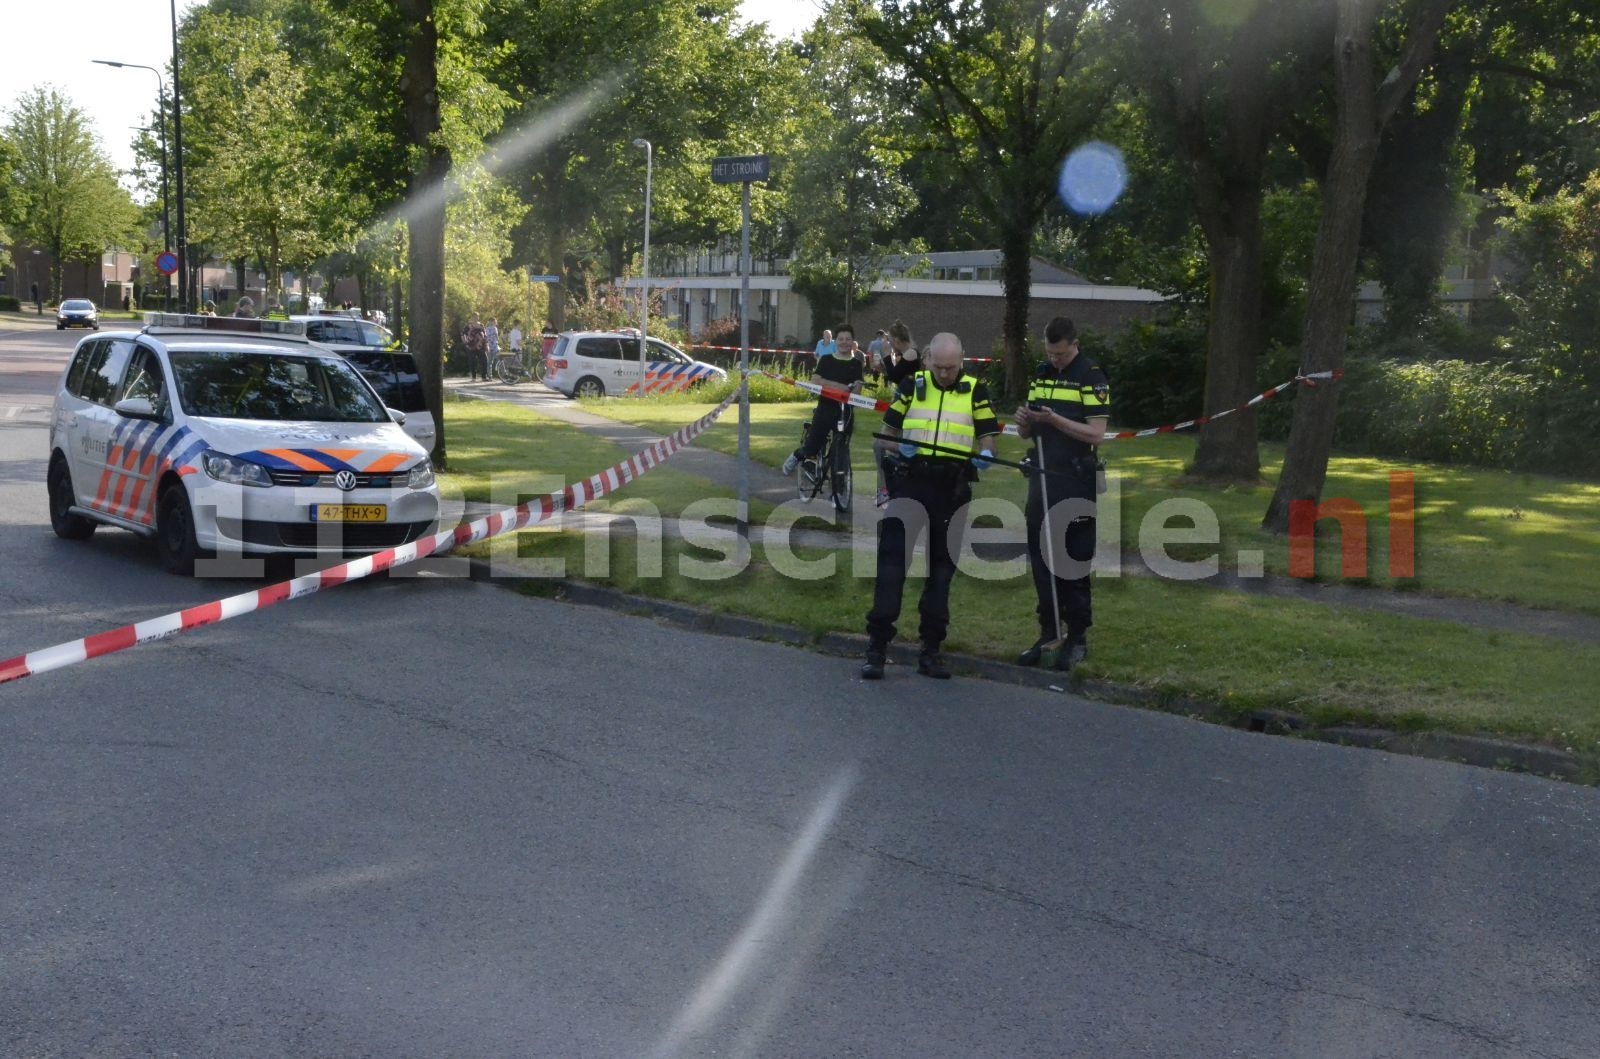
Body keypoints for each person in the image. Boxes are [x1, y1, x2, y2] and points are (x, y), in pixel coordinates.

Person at [862, 332, 999, 681]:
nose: (944, 374)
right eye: (938, 367)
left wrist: (986, 454)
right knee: (892, 564)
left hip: (951, 488)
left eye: (951, 368)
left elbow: (988, 435)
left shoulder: (974, 390)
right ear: (927, 360)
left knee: (941, 572)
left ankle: (931, 650)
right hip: (910, 482)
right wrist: (897, 448)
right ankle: (877, 647)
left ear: (962, 360)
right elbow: (887, 433)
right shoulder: (911, 386)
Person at [1014, 317, 1111, 671]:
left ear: (1075, 343)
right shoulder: (1042, 373)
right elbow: (1027, 432)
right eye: (1050, 353)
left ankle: (1077, 636)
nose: (1055, 359)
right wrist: (1025, 420)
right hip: (1041, 477)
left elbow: (1096, 433)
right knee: (1041, 556)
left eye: (1061, 353)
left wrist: (1055, 421)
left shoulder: (1092, 376)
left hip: (1074, 479)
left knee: (1073, 558)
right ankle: (1048, 630)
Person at [782, 323, 866, 477]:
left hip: (845, 412)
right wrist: (839, 386)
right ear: (836, 341)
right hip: (825, 409)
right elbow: (815, 381)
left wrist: (853, 389)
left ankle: (838, 491)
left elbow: (857, 391)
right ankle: (796, 456)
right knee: (812, 446)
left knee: (841, 450)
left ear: (853, 342)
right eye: (841, 339)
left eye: (848, 339)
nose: (844, 342)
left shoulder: (856, 364)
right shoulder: (826, 360)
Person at [461, 315, 488, 380]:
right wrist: (465, 342)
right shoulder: (468, 326)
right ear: (471, 318)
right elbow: (462, 334)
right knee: (472, 361)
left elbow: (485, 335)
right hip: (470, 346)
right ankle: (473, 377)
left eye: (476, 317)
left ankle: (484, 376)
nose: (475, 319)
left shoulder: (481, 325)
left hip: (480, 346)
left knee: (484, 360)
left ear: (478, 318)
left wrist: (487, 345)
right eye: (473, 317)